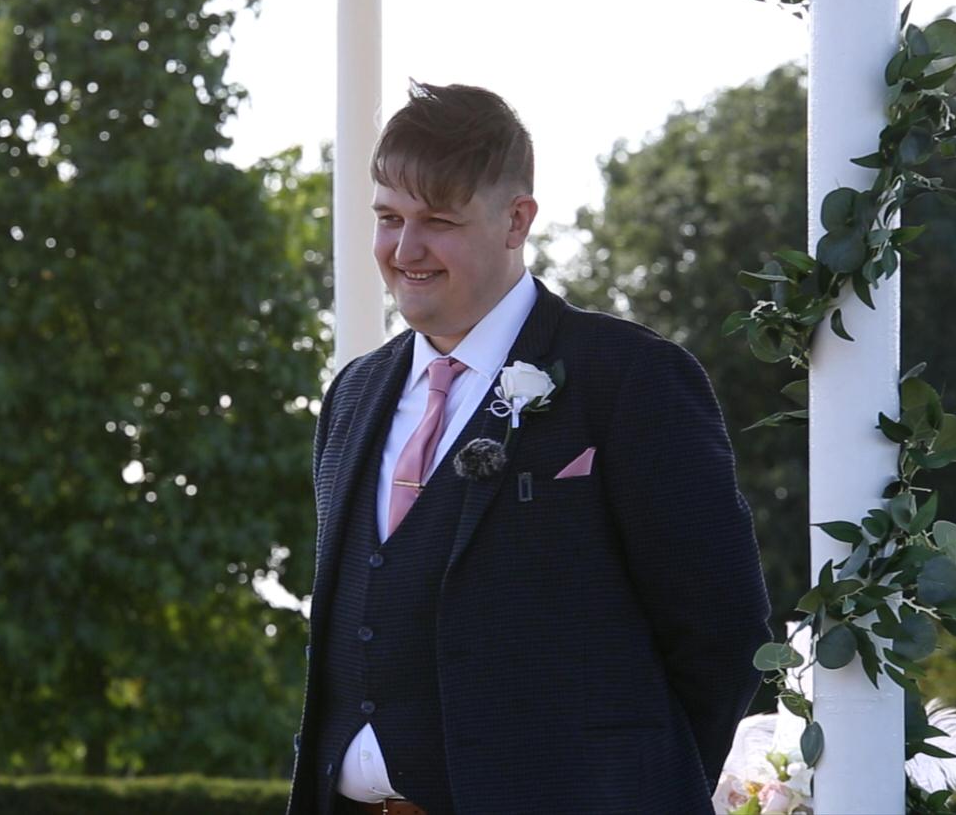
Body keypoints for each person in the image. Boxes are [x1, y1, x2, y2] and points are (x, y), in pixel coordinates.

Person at [285, 82, 772, 815]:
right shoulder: (353, 395)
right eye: (389, 218)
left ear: (517, 220)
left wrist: (632, 790)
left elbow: (724, 633)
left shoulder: (632, 381)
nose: (405, 249)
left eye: (438, 221)